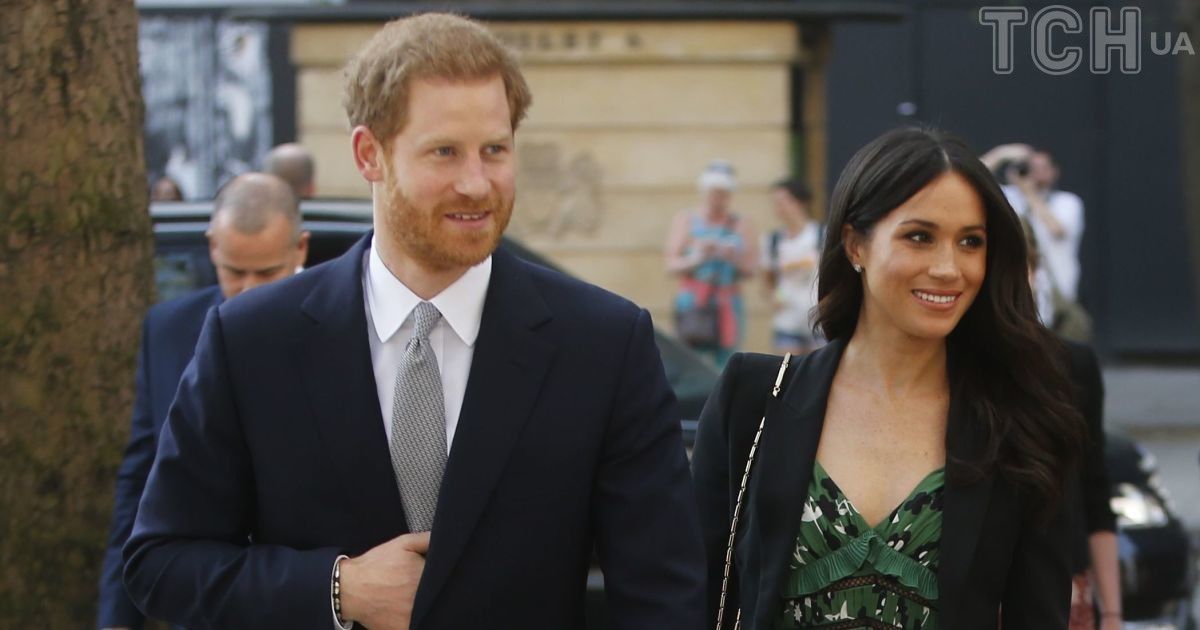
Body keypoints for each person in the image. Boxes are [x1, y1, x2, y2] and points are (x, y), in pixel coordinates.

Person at [122, 13, 703, 630]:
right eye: (444, 152)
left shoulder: (603, 345)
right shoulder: (251, 341)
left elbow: (664, 597)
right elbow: (161, 563)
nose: (476, 183)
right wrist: (339, 589)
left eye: (495, 150)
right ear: (368, 154)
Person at [692, 127, 1085, 629]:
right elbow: (692, 590)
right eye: (919, 237)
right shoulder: (752, 397)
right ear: (855, 244)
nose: (949, 268)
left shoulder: (1020, 419)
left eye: (970, 242)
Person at [98, 172, 308, 630]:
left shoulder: (339, 329)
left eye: (267, 273)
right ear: (212, 246)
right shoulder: (167, 330)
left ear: (301, 249)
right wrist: (117, 618)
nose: (249, 290)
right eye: (234, 272)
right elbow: (142, 483)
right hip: (205, 607)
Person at [1024, 223, 1121, 630]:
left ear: (1035, 271)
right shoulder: (947, 366)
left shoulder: (1074, 365)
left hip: (1066, 594)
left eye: (1022, 265)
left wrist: (1112, 614)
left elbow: (1094, 491)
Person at [665, 160, 758, 368]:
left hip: (727, 302)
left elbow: (751, 269)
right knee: (690, 361)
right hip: (694, 302)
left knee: (726, 363)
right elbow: (672, 265)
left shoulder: (741, 224)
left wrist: (731, 257)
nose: (718, 199)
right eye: (714, 193)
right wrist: (698, 257)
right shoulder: (686, 220)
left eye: (723, 194)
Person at [981, 143, 1085, 303]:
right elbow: (973, 179)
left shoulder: (1067, 202)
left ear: (1054, 171)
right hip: (1018, 288)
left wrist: (1028, 191)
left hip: (1058, 294)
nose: (1036, 173)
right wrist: (1002, 154)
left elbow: (1057, 230)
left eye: (1042, 167)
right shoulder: (1011, 196)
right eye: (1031, 167)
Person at [761, 177, 824, 355]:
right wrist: (773, 296)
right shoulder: (773, 240)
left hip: (818, 318)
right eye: (776, 203)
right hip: (787, 319)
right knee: (787, 367)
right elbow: (767, 276)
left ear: (800, 202)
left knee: (820, 367)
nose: (779, 207)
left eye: (784, 201)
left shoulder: (820, 235)